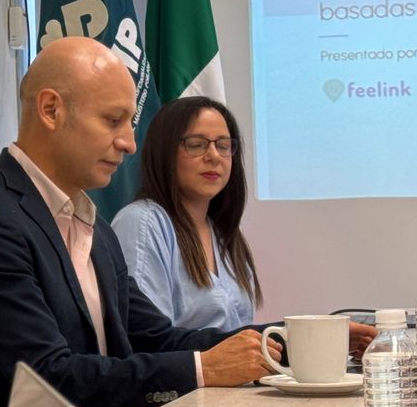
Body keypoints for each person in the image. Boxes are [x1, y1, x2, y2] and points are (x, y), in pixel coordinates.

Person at [0, 37, 271, 407]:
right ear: (51, 110)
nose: (129, 143)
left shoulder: (93, 227)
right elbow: (49, 378)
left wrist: (288, 338)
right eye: (113, 120)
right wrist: (203, 369)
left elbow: (157, 338)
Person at [112, 96, 376, 356]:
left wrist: (323, 340)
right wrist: (310, 335)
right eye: (196, 145)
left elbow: (241, 347)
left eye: (224, 146)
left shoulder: (223, 234)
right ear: (164, 152)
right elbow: (150, 343)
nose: (214, 156)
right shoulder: (143, 222)